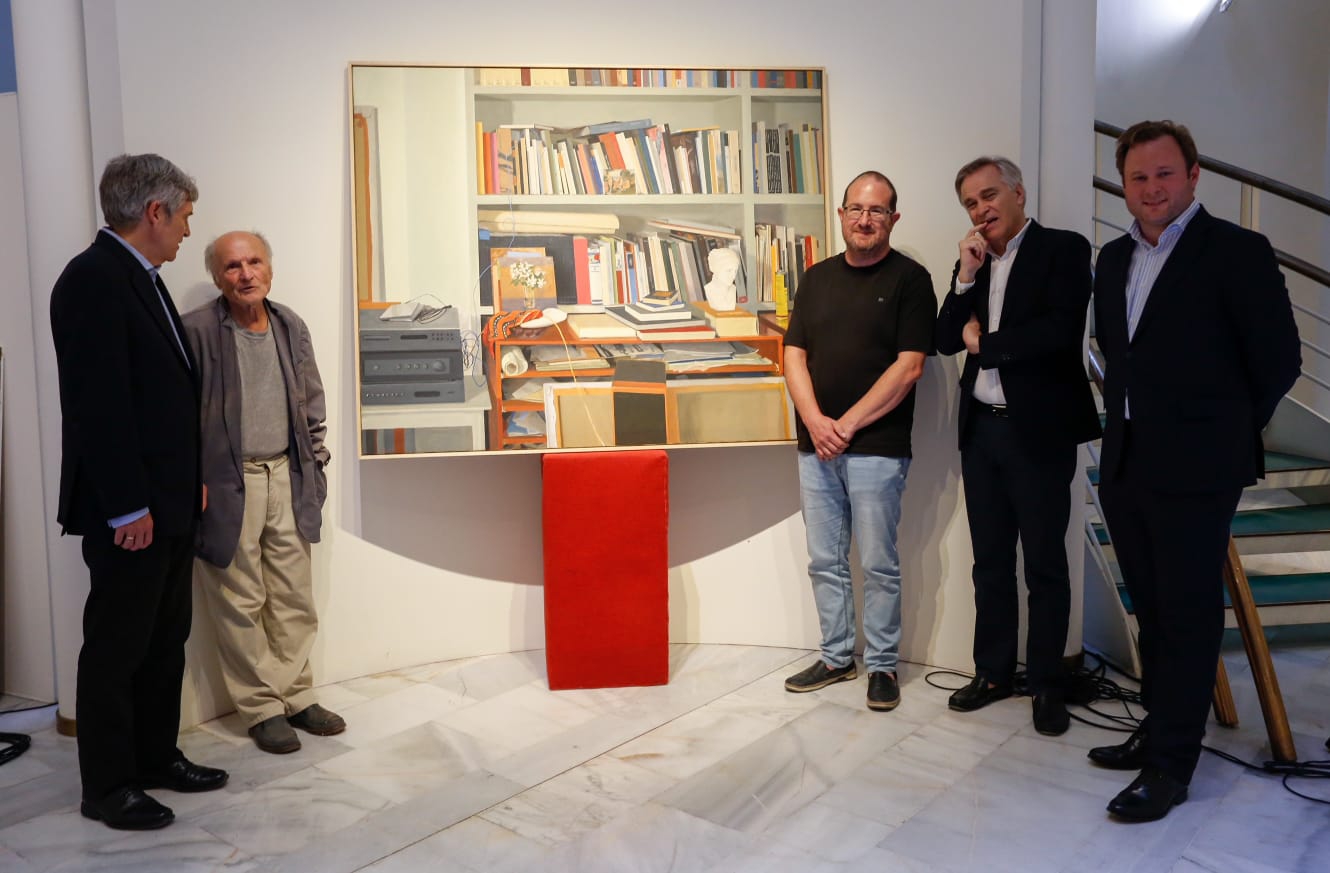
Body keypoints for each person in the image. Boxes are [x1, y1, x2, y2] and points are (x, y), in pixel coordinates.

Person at [1090, 121, 1300, 821]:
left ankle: (1171, 764)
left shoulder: (1237, 251)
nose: (1151, 188)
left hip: (1199, 468)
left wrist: (1221, 433)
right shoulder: (1113, 257)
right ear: (1123, 184)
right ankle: (1159, 725)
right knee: (1151, 609)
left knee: (1187, 612)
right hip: (1126, 460)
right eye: (1138, 177)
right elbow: (1118, 352)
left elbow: (1278, 360)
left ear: (1192, 175)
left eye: (1164, 173)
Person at [50, 154, 229, 831]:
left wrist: (189, 483)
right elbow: (99, 408)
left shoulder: (141, 278)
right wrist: (129, 505)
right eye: (184, 216)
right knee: (117, 647)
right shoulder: (92, 279)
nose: (187, 230)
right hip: (131, 511)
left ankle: (155, 757)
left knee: (164, 638)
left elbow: (162, 399)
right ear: (154, 212)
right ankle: (108, 786)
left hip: (169, 502)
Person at [934, 157, 1101, 736]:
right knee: (990, 562)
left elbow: (1058, 332)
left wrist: (985, 343)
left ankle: (1048, 684)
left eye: (989, 196)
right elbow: (942, 337)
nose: (981, 210)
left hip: (1039, 433)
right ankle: (993, 672)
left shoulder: (1064, 249)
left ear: (1018, 194)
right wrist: (964, 276)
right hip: (982, 431)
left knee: (1046, 564)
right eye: (970, 203)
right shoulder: (975, 260)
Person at [182, 231, 341, 755]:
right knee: (240, 599)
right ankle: (261, 708)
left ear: (270, 267)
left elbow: (311, 401)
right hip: (229, 483)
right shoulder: (197, 331)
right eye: (232, 266)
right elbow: (177, 417)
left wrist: (316, 464)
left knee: (294, 595)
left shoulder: (290, 324)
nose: (246, 274)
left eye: (254, 261)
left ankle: (296, 696)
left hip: (287, 475)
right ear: (216, 276)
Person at [782, 170, 935, 712]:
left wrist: (843, 426)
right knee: (824, 561)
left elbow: (909, 367)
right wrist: (815, 421)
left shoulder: (911, 280)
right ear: (842, 214)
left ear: (893, 218)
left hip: (877, 447)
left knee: (877, 564)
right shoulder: (816, 278)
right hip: (816, 447)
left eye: (877, 210)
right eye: (856, 209)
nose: (865, 219)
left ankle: (883, 665)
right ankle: (836, 657)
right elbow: (793, 354)